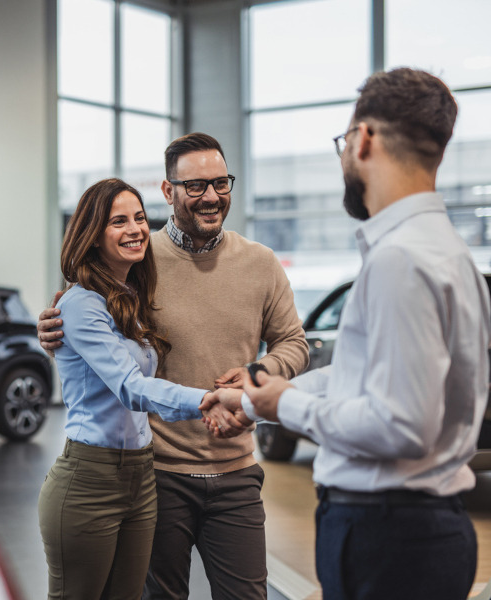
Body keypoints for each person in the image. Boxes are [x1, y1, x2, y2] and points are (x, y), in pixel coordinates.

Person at [204, 68, 490, 600]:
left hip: (388, 540)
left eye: (343, 142)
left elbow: (401, 425)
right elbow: (370, 375)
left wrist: (287, 406)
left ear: (363, 140)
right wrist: (256, 398)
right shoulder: (449, 254)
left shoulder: (400, 260)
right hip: (419, 532)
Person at [39, 134, 309, 600]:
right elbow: (94, 323)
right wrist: (53, 329)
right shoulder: (140, 262)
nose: (211, 196)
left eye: (220, 182)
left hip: (236, 469)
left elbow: (293, 343)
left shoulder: (261, 263)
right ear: (169, 191)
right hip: (158, 475)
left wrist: (256, 375)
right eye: (196, 185)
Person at [38, 177, 235, 600]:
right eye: (118, 221)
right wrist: (202, 399)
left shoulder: (131, 296)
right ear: (92, 235)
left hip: (142, 477)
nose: (135, 229)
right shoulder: (81, 303)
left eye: (140, 218)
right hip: (89, 478)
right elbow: (131, 388)